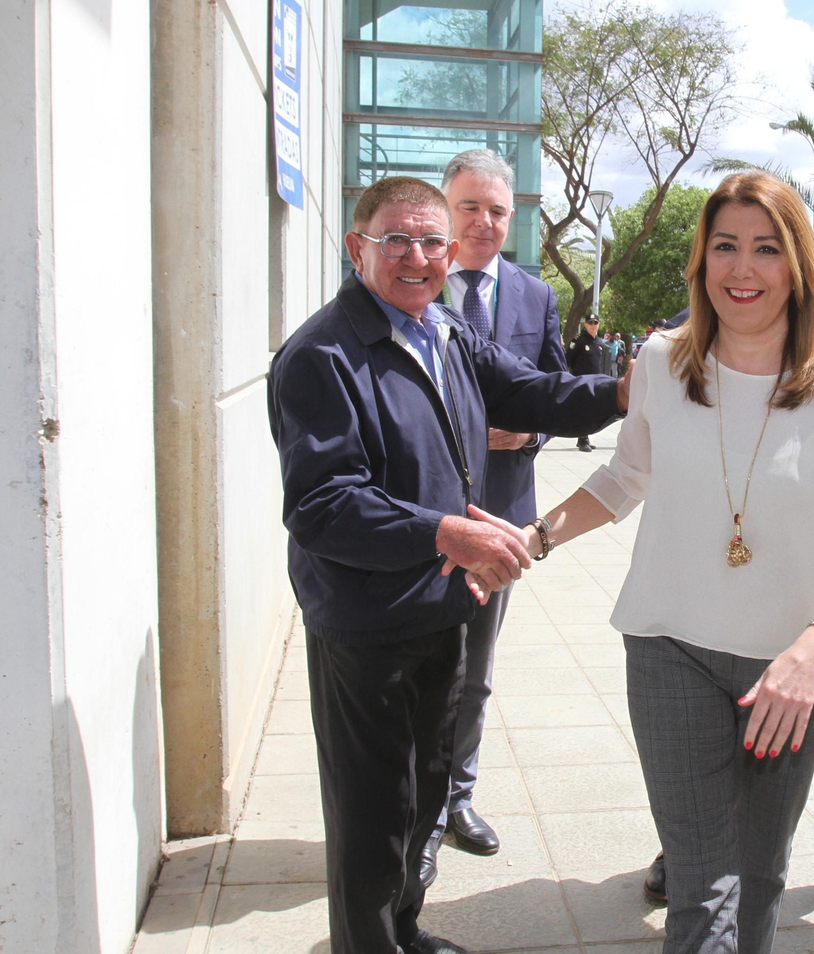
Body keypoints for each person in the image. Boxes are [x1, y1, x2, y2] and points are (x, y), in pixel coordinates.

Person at [520, 170, 814, 954]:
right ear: (699, 262)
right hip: (671, 652)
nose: (742, 269)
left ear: (797, 264)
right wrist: (536, 535)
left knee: (759, 876)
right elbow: (624, 477)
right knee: (701, 884)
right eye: (724, 246)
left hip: (793, 673)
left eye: (765, 249)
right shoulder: (662, 363)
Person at [267, 175, 626, 954]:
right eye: (396, 239)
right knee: (371, 811)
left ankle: (403, 927)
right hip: (368, 624)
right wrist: (444, 533)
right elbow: (323, 505)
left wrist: (628, 390)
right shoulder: (322, 356)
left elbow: (534, 393)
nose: (418, 257)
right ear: (357, 247)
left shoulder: (446, 332)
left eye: (433, 241)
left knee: (428, 788)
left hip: (445, 609)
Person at [420, 148, 569, 883]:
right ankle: (412, 801)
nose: (483, 222)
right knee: (417, 667)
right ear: (445, 209)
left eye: (498, 211)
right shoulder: (413, 283)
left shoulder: (535, 297)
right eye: (469, 207)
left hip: (502, 517)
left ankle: (457, 797)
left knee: (475, 669)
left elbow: (556, 386)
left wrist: (530, 432)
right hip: (419, 517)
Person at [568, 314, 609, 450]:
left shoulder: (599, 343)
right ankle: (582, 439)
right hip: (582, 381)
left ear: (598, 325)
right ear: (585, 325)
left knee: (591, 411)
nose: (593, 325)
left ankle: (585, 438)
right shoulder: (579, 341)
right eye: (590, 323)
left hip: (596, 382)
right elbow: (568, 360)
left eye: (595, 323)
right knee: (583, 410)